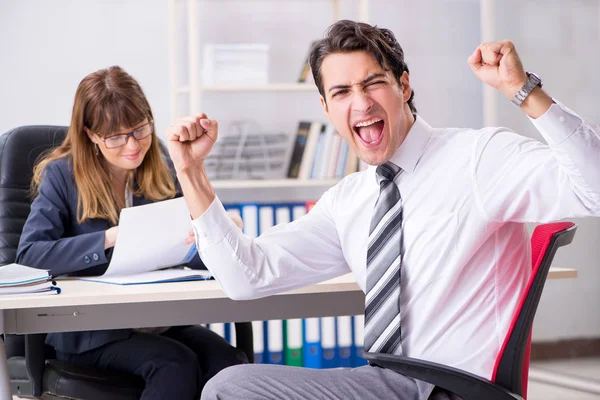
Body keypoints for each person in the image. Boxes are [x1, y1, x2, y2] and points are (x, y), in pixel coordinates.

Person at [166, 20, 600, 400]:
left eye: (373, 83)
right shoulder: (350, 200)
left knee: (228, 388)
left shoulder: (477, 159)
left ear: (403, 85)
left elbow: (594, 191)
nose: (361, 103)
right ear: (326, 109)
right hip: (386, 382)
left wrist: (524, 92)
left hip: (452, 388)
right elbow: (247, 276)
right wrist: (190, 172)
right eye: (341, 92)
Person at [16, 66, 248, 400]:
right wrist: (111, 237)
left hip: (158, 319)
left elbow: (188, 256)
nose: (132, 145)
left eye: (140, 129)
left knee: (230, 363)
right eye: (115, 136)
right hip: (92, 332)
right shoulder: (62, 176)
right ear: (91, 135)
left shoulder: (161, 164)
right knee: (173, 364)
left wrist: (214, 232)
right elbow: (30, 256)